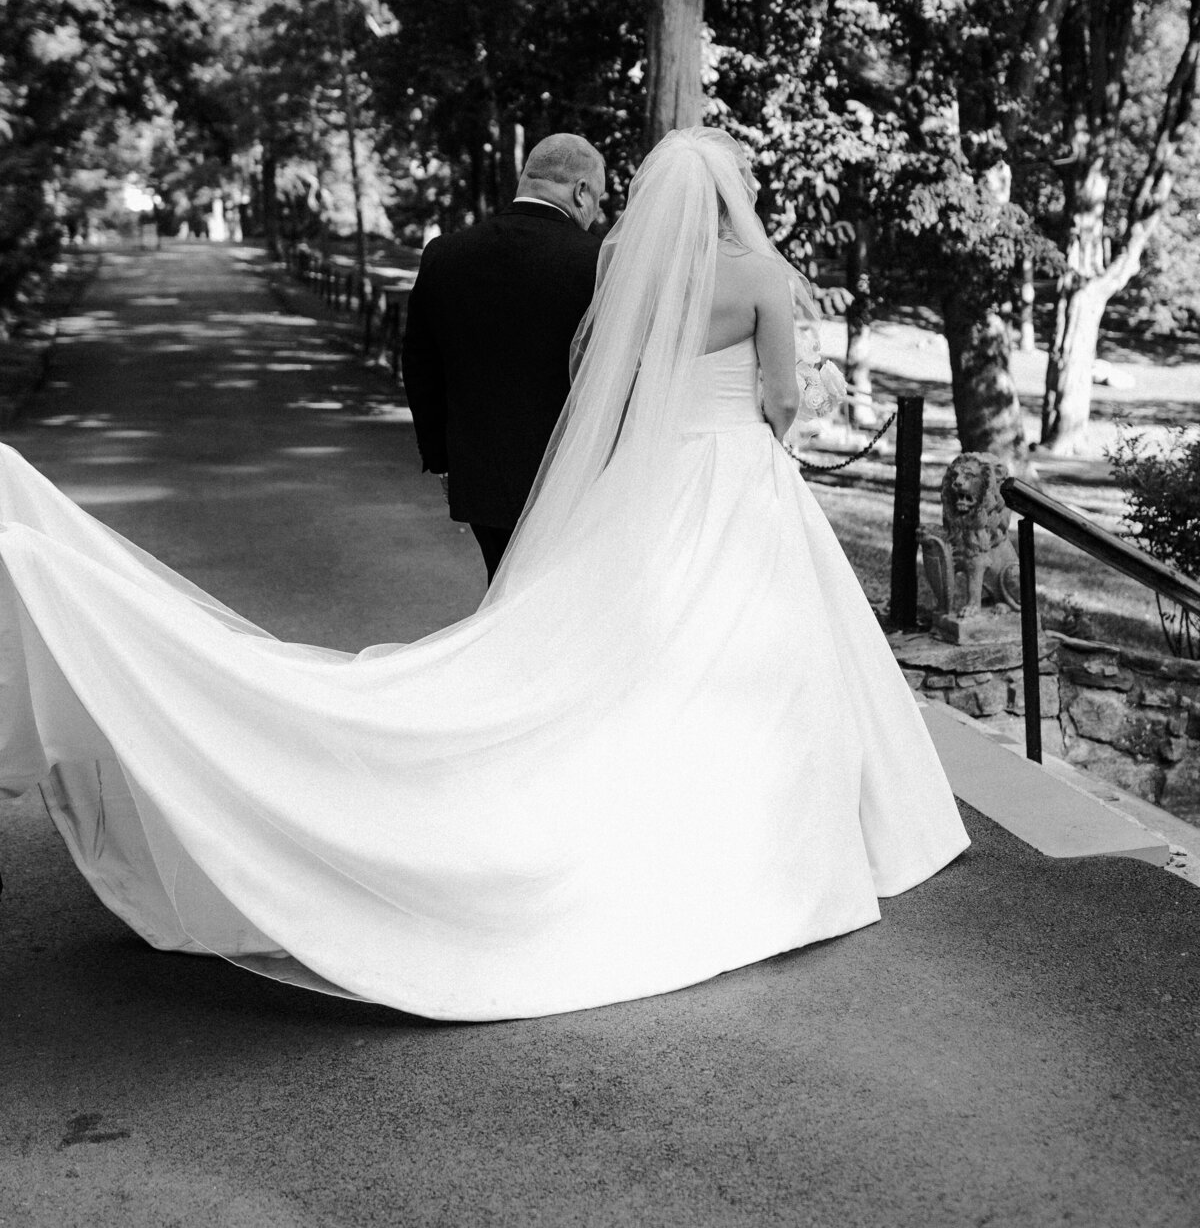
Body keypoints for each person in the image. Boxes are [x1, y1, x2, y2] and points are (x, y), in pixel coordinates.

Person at [0, 128, 968, 1022]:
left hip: (641, 473)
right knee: (751, 642)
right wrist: (802, 409)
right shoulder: (755, 273)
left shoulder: (618, 264)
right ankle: (778, 821)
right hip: (735, 473)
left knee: (620, 638)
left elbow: (573, 371)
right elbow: (787, 397)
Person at [401, 133, 605, 581]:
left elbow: (419, 363)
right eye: (598, 200)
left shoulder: (446, 254)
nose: (596, 216)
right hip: (571, 477)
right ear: (581, 191)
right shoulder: (599, 263)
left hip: (481, 478)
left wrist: (443, 459)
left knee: (503, 597)